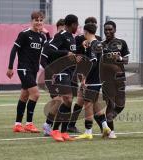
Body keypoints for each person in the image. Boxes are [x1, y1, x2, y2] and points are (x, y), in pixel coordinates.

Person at [7, 11, 47, 133]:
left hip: (33, 70)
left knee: (24, 96)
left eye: (41, 20)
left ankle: (17, 124)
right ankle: (29, 123)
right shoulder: (24, 34)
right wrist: (10, 67)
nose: (39, 22)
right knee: (35, 94)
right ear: (32, 21)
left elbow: (48, 48)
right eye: (36, 20)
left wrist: (47, 33)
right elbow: (14, 49)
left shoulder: (42, 37)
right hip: (24, 69)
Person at [42, 14, 79, 142]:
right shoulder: (61, 35)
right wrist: (65, 53)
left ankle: (64, 132)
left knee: (69, 102)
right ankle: (55, 130)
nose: (77, 27)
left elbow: (71, 56)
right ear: (72, 24)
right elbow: (50, 52)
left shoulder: (72, 38)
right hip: (60, 72)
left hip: (70, 73)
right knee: (67, 99)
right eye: (76, 24)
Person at [75, 23, 111, 140]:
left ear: (86, 32)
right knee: (95, 104)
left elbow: (93, 62)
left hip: (92, 79)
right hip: (99, 78)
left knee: (88, 105)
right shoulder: (98, 43)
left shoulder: (93, 45)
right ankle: (105, 127)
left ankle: (88, 131)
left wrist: (85, 78)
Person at [67, 17, 102, 133]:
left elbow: (98, 58)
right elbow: (76, 54)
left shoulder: (98, 40)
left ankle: (102, 127)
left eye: (94, 23)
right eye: (90, 23)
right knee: (87, 100)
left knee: (86, 100)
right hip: (83, 71)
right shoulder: (79, 38)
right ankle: (102, 128)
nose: (92, 25)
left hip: (93, 74)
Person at [101, 20, 130, 138]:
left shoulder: (121, 43)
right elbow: (100, 62)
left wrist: (119, 58)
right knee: (110, 104)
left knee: (121, 105)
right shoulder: (101, 45)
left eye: (110, 29)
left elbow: (126, 60)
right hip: (107, 79)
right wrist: (108, 58)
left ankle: (107, 121)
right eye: (106, 29)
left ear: (115, 30)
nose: (108, 31)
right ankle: (111, 131)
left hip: (120, 77)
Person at [40, 18, 65, 136]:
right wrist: (51, 71)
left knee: (61, 101)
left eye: (65, 29)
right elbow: (42, 60)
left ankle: (50, 126)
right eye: (61, 29)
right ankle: (48, 125)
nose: (63, 31)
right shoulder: (49, 43)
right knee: (58, 100)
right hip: (51, 76)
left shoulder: (65, 43)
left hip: (62, 76)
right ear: (58, 28)